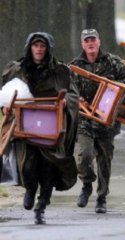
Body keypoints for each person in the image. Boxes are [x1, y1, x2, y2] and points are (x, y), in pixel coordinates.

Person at [1, 32, 79, 224]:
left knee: (48, 168)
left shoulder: (60, 70)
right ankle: (29, 188)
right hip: (24, 125)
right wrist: (5, 106)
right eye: (35, 46)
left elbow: (73, 96)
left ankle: (42, 204)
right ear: (29, 47)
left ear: (48, 49)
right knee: (27, 164)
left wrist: (62, 105)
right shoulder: (16, 69)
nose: (39, 49)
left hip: (51, 127)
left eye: (42, 46)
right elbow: (5, 92)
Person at [70, 29, 125, 213]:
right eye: (87, 41)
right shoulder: (75, 66)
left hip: (107, 119)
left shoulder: (112, 62)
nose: (90, 43)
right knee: (83, 156)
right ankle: (86, 184)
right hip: (85, 118)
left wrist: (121, 88)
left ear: (99, 42)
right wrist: (76, 100)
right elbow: (65, 90)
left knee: (104, 159)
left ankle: (101, 197)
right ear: (82, 44)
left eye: (93, 40)